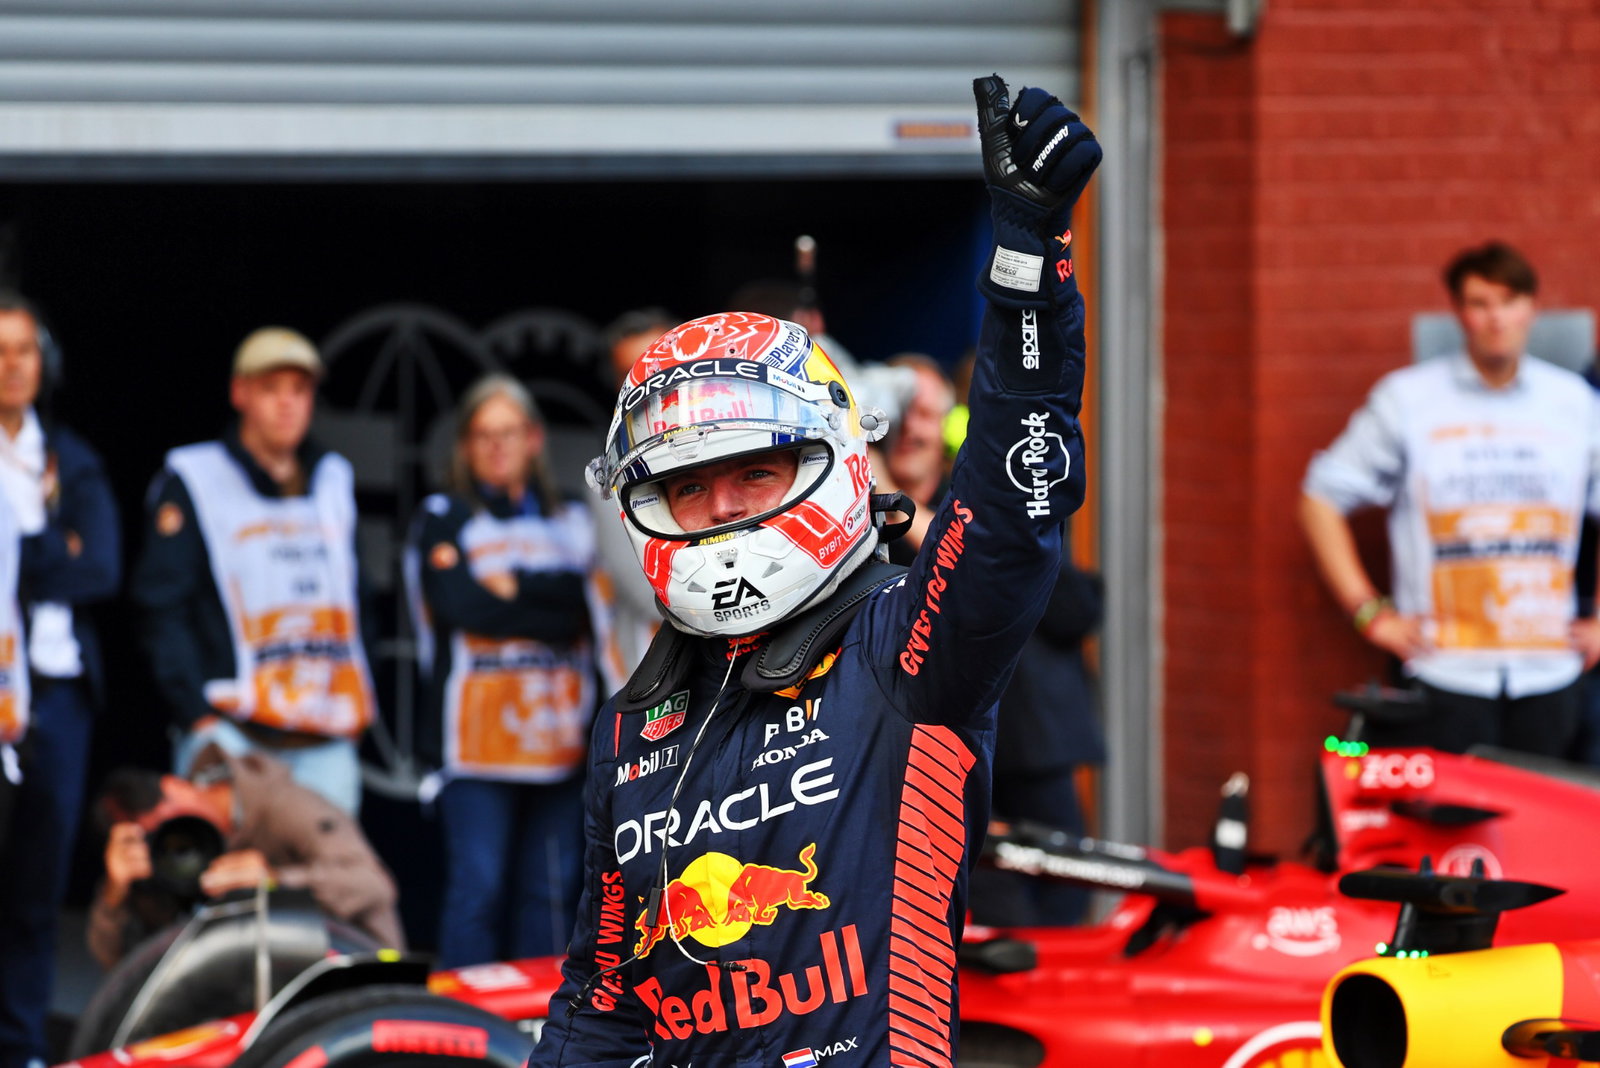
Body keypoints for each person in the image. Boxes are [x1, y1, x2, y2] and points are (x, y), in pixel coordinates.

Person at [530, 75, 1098, 1068]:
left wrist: (1023, 262)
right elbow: (605, 997)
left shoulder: (903, 652)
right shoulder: (633, 721)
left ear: (834, 465)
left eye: (757, 472)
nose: (723, 507)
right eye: (689, 486)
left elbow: (1007, 514)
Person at [1301, 241, 1600, 755]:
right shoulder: (1410, 400)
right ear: (1460, 312)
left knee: (1546, 830)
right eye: (1480, 304)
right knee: (1443, 833)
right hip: (1444, 672)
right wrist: (1368, 612)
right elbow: (1320, 498)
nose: (1496, 319)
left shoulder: (1573, 403)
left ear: (1531, 307)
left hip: (1549, 673)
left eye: (1508, 302)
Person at [406, 374, 620, 967]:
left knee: (549, 899)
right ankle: (454, 1051)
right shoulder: (443, 516)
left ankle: (540, 1044)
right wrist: (546, 603)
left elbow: (585, 607)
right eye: (482, 435)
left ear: (533, 438)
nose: (496, 447)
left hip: (559, 745)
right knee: (479, 892)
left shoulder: (574, 522)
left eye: (508, 433)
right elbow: (460, 606)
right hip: (475, 748)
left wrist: (517, 588)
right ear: (465, 445)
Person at [129, 327, 376, 814]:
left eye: (300, 390)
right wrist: (196, 716)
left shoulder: (333, 481)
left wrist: (354, 714)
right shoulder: (196, 478)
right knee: (221, 886)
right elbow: (160, 606)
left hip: (324, 745)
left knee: (326, 889)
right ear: (239, 393)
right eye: (271, 389)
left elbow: (360, 602)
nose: (288, 404)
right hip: (233, 734)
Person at [0, 292, 120, 1068]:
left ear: (46, 364)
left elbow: (100, 567)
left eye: (23, 350)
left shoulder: (68, 458)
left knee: (36, 890)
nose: (11, 365)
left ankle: (20, 1046)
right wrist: (53, 550)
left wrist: (37, 545)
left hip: (56, 695)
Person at [89, 745, 404, 969]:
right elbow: (117, 965)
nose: (175, 847)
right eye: (158, 841)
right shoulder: (160, 860)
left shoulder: (284, 804)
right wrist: (115, 892)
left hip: (352, 969)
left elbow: (374, 886)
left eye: (172, 832)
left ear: (176, 787)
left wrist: (275, 881)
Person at [595, 309, 681, 673]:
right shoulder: (608, 473)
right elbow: (652, 595)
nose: (650, 381)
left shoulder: (742, 440)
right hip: (660, 688)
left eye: (660, 364)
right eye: (631, 372)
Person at [876, 352, 956, 560]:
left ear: (946, 428)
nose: (909, 426)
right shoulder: (849, 501)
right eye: (899, 413)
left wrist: (887, 492)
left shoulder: (969, 499)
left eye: (923, 414)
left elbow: (965, 562)